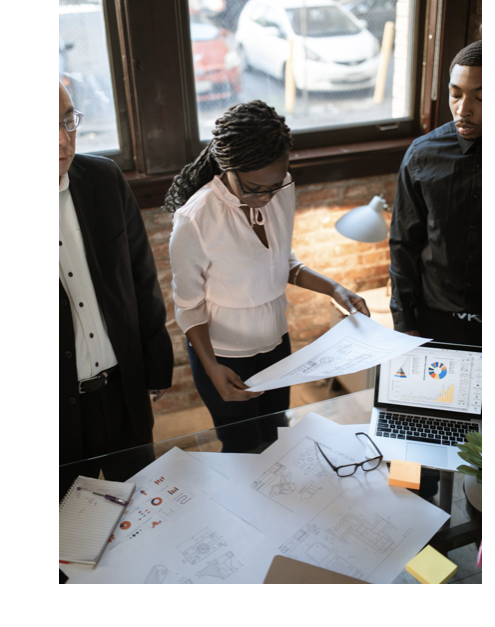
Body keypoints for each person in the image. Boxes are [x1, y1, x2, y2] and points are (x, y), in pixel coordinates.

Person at [164, 100, 369, 452]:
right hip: (224, 357)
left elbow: (282, 263)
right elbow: (188, 307)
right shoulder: (195, 220)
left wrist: (334, 288)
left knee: (276, 436)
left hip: (276, 343)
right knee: (242, 448)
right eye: (254, 188)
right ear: (229, 167)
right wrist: (212, 368)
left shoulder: (279, 187)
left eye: (274, 186)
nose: (266, 197)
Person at [60, 82, 174, 489]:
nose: (62, 140)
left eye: (67, 120)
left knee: (141, 506)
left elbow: (142, 276)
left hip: (122, 390)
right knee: (71, 530)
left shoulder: (104, 178)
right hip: (57, 409)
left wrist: (156, 363)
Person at [389, 40, 481, 345]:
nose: (462, 110)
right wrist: (405, 322)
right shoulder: (421, 155)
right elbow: (404, 244)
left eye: (481, 98)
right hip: (435, 322)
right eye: (455, 95)